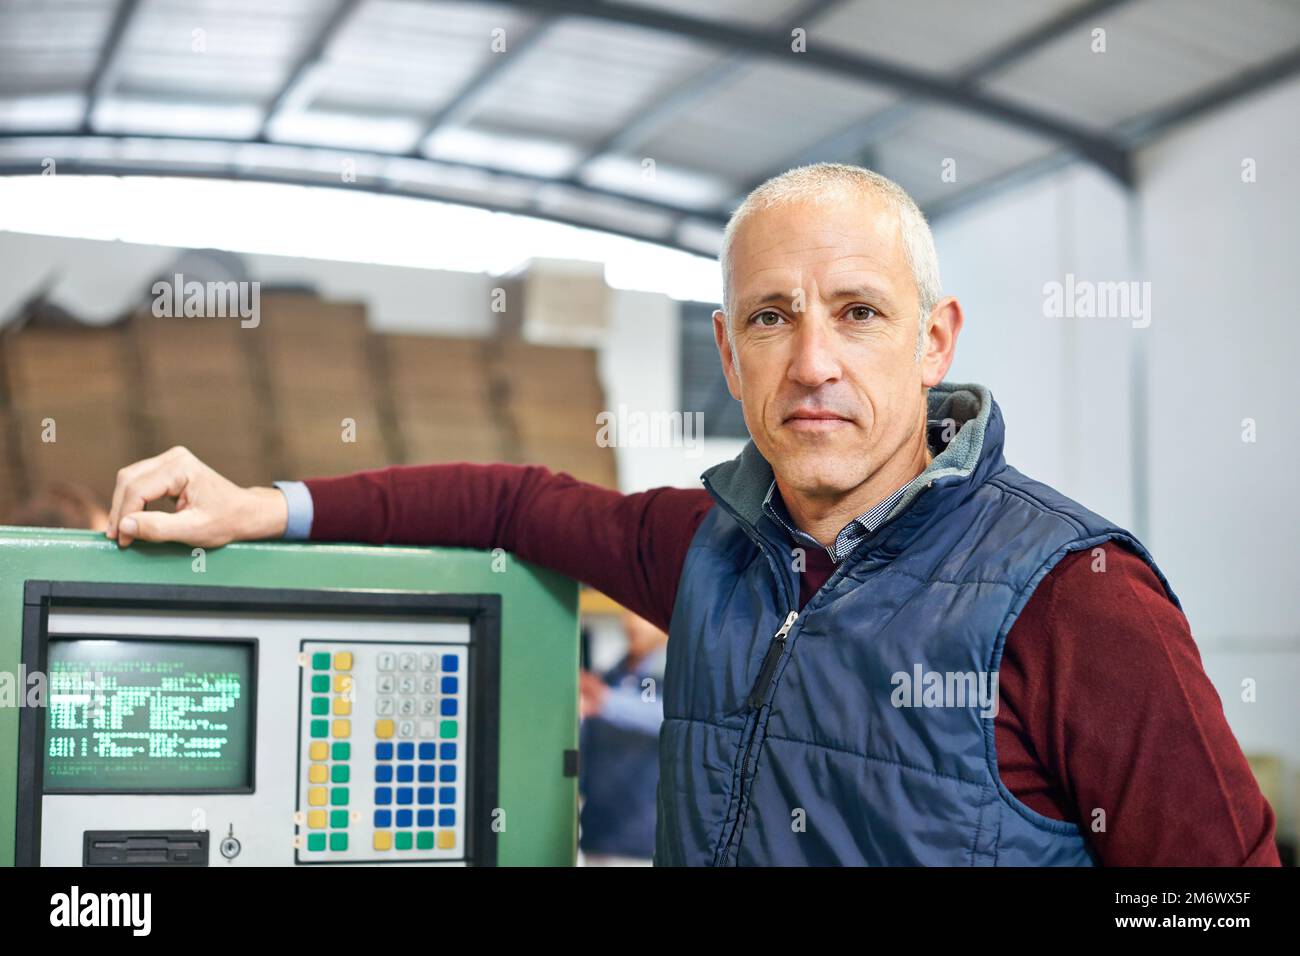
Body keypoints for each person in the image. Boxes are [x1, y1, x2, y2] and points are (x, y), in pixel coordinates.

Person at [103, 163, 1279, 866]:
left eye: (858, 313)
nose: (812, 361)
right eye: (770, 317)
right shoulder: (707, 552)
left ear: (935, 340)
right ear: (726, 350)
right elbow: (510, 500)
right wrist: (268, 504)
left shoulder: (1073, 598)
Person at [577, 611, 667, 866]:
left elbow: (667, 718)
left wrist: (607, 701)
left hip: (646, 843)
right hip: (599, 835)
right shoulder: (610, 677)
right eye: (627, 613)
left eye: (641, 614)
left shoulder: (678, 673)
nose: (631, 622)